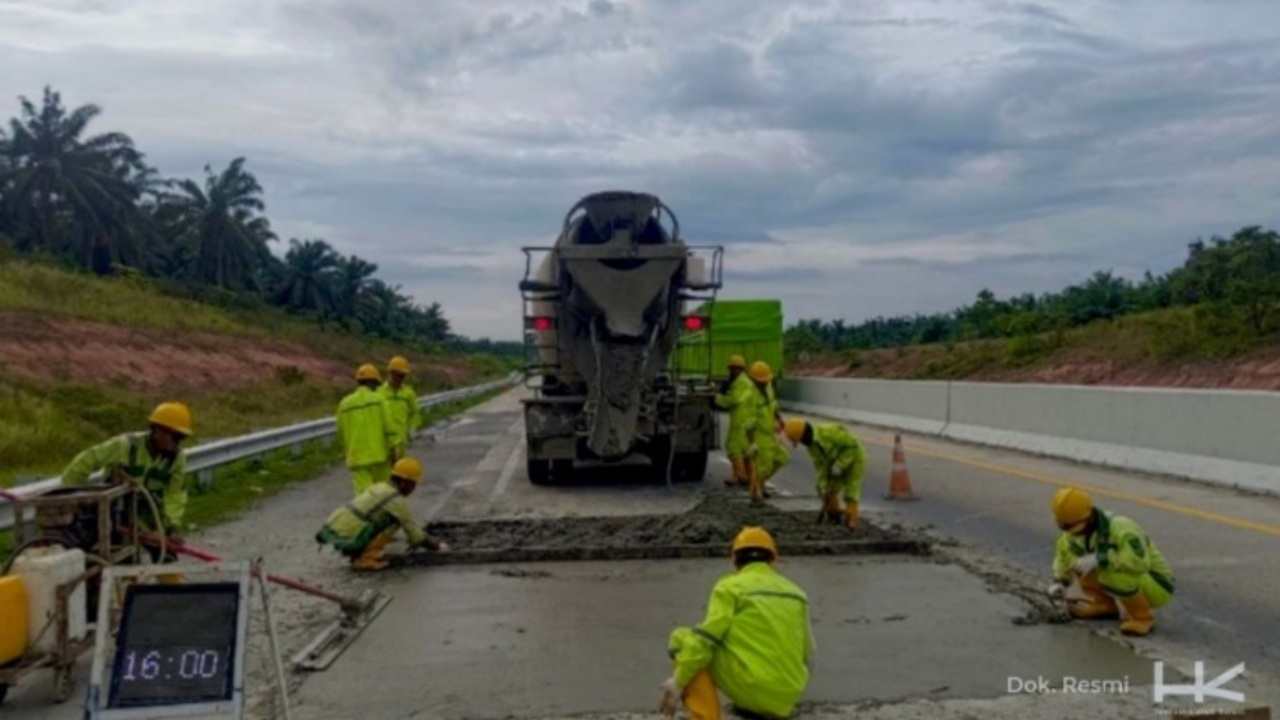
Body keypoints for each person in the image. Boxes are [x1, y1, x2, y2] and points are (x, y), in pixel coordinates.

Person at [662, 526, 812, 720]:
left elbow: (706, 640)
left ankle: (705, 717)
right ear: (773, 559)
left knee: (684, 639)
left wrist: (678, 682)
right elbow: (808, 652)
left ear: (734, 560)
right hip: (787, 696)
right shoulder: (796, 593)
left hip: (753, 687)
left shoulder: (729, 587)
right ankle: (759, 707)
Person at [1049, 487, 1173, 636]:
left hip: (1156, 583)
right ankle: (1105, 606)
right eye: (1062, 526)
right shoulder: (1073, 535)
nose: (1067, 531)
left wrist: (1101, 558)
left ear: (1088, 518)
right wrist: (1060, 581)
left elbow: (1140, 563)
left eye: (1070, 526)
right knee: (1080, 565)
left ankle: (1142, 618)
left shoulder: (1121, 527)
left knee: (1109, 573)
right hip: (1134, 577)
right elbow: (1064, 556)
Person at [62, 402, 193, 534]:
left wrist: (171, 525)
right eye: (174, 436)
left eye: (179, 438)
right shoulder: (126, 445)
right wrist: (68, 499)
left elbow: (175, 494)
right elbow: (85, 461)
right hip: (115, 511)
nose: (175, 442)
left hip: (149, 515)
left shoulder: (177, 459)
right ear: (157, 430)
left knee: (166, 552)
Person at [315, 457, 448, 571]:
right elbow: (416, 536)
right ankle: (364, 560)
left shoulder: (379, 486)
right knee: (394, 523)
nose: (413, 489)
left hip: (333, 529)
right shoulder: (396, 501)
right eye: (412, 485)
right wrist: (438, 546)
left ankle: (359, 554)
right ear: (403, 482)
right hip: (350, 538)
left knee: (380, 521)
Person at [782, 419, 865, 529]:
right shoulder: (812, 447)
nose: (801, 444)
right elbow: (820, 467)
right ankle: (834, 517)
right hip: (833, 466)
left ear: (803, 435)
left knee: (851, 492)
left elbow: (852, 446)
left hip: (854, 459)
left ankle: (851, 523)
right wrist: (823, 486)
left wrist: (840, 464)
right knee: (827, 491)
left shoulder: (828, 432)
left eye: (799, 441)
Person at [338, 363, 396, 495]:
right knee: (383, 496)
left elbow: (341, 433)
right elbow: (390, 429)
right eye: (376, 384)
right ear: (373, 382)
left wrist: (348, 452)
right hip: (380, 457)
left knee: (363, 498)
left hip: (357, 459)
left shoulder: (344, 404)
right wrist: (394, 453)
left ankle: (366, 516)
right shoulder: (379, 400)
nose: (376, 388)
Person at [714, 355, 758, 490]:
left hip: (741, 421)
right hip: (748, 421)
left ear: (739, 369)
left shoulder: (741, 383)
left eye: (733, 369)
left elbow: (734, 400)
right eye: (731, 369)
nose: (731, 372)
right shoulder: (745, 382)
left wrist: (716, 397)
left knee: (733, 448)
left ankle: (742, 477)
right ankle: (743, 478)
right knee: (744, 451)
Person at [748, 361, 789, 503]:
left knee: (781, 457)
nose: (764, 383)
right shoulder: (750, 395)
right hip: (759, 435)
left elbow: (773, 404)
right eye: (761, 381)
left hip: (771, 432)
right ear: (753, 380)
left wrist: (779, 418)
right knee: (762, 465)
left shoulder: (769, 387)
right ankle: (756, 492)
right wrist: (751, 442)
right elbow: (749, 423)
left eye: (766, 380)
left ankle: (760, 484)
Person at [379, 355, 422, 462]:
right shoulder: (379, 393)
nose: (401, 378)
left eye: (403, 376)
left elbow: (415, 413)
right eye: (398, 375)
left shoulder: (408, 393)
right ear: (391, 373)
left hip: (401, 439)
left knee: (399, 471)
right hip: (384, 440)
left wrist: (412, 428)